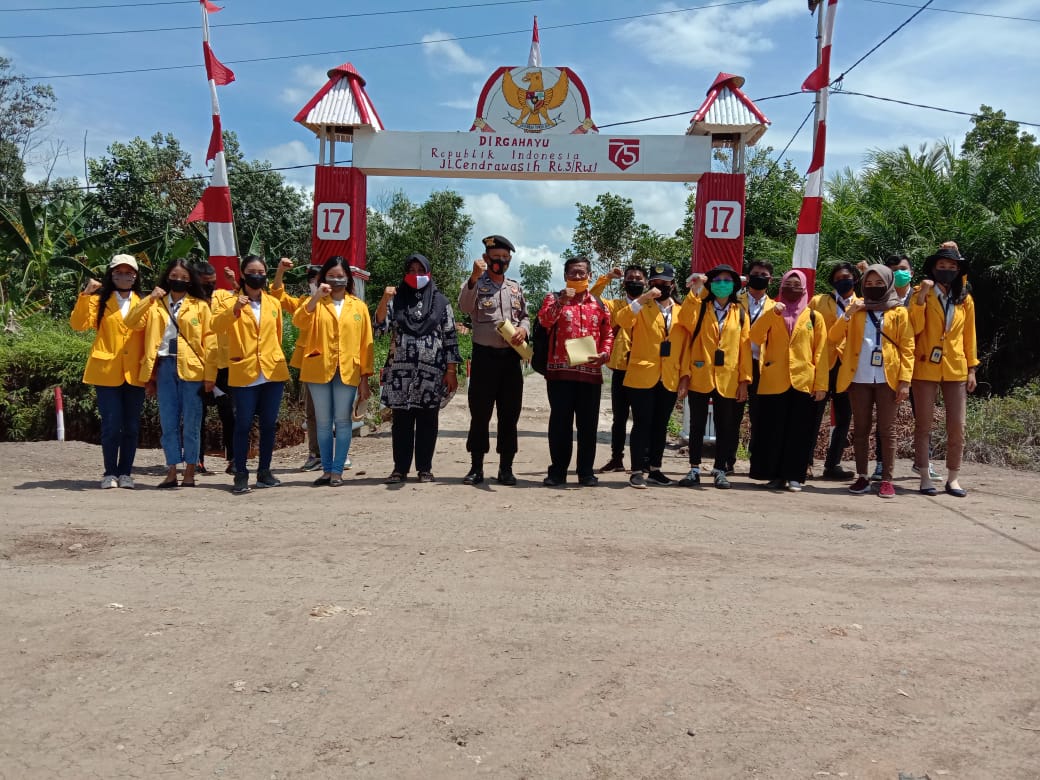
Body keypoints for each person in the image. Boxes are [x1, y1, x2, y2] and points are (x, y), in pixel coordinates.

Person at [125, 258, 216, 488]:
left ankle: (190, 472)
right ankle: (172, 470)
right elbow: (131, 322)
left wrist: (210, 375)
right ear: (167, 277)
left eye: (184, 278)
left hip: (192, 369)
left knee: (192, 422)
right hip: (164, 366)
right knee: (168, 421)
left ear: (191, 281)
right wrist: (150, 298)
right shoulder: (156, 304)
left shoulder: (200, 306)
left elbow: (211, 343)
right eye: (175, 277)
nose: (179, 281)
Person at [827, 264, 914, 499]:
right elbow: (833, 338)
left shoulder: (898, 312)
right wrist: (848, 314)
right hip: (859, 377)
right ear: (862, 285)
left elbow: (907, 348)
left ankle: (887, 479)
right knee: (861, 429)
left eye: (879, 284)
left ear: (888, 285)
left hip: (888, 378)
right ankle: (863, 476)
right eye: (869, 284)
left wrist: (905, 381)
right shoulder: (858, 310)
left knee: (888, 430)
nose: (873, 287)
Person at [374, 253, 461, 483]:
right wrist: (384, 299)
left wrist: (451, 371)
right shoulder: (398, 300)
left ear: (428, 273)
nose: (415, 275)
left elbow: (450, 338)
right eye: (411, 271)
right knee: (401, 423)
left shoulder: (441, 302)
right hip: (400, 375)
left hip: (432, 375)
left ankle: (425, 469)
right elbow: (380, 327)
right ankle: (399, 469)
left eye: (420, 271)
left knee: (427, 422)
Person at [212, 255, 290, 494]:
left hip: (272, 371)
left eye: (261, 271)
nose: (257, 275)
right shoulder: (230, 301)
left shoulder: (273, 303)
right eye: (251, 271)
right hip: (244, 370)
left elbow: (276, 336)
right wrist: (235, 309)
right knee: (242, 424)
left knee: (268, 424)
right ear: (243, 274)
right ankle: (241, 473)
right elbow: (215, 326)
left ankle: (264, 471)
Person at [292, 256, 374, 487]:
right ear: (323, 277)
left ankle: (338, 470)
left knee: (343, 420)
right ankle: (326, 470)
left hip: (348, 370)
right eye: (331, 275)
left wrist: (365, 378)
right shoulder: (315, 302)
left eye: (340, 276)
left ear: (348, 278)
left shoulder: (358, 306)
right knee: (323, 421)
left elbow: (365, 343)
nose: (336, 280)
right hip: (318, 368)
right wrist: (317, 295)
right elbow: (299, 321)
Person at [69, 254, 148, 489]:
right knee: (112, 424)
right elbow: (78, 324)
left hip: (134, 371)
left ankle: (126, 473)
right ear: (111, 275)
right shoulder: (99, 301)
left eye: (129, 273)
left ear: (136, 276)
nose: (124, 277)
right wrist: (85, 295)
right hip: (106, 370)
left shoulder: (145, 301)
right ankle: (109, 473)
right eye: (119, 272)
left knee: (131, 426)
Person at [457, 234, 530, 486]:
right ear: (485, 259)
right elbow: (465, 307)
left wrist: (524, 329)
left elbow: (525, 315)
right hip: (484, 358)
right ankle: (476, 467)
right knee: (480, 414)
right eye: (495, 258)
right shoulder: (475, 283)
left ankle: (506, 468)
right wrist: (474, 278)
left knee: (509, 415)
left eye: (504, 259)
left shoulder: (514, 287)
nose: (500, 262)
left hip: (510, 359)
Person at [537, 255, 614, 487]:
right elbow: (544, 321)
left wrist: (605, 353)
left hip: (590, 374)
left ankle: (586, 472)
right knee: (560, 424)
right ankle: (557, 472)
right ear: (565, 276)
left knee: (588, 426)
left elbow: (608, 333)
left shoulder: (599, 304)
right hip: (560, 374)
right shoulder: (553, 299)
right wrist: (561, 301)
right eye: (573, 273)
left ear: (590, 276)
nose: (578, 277)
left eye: (582, 273)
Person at [748, 269, 828, 491]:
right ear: (780, 287)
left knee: (799, 431)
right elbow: (754, 336)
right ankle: (775, 475)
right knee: (773, 430)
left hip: (803, 381)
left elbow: (820, 352)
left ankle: (795, 476)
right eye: (788, 284)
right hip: (774, 380)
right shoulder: (773, 311)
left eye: (797, 285)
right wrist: (771, 314)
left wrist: (821, 384)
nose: (792, 289)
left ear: (804, 289)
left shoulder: (814, 316)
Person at [910, 245, 978, 497]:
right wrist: (920, 297)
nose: (947, 270)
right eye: (942, 266)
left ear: (959, 270)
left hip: (956, 367)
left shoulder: (964, 298)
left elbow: (969, 336)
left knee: (957, 425)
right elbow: (914, 329)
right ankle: (925, 476)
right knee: (924, 425)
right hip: (925, 365)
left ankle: (953, 478)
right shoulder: (921, 293)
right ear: (933, 268)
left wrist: (972, 369)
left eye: (952, 267)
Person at [676, 264, 752, 489]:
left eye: (727, 280)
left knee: (725, 426)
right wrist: (695, 290)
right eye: (717, 280)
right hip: (700, 374)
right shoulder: (700, 307)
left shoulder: (740, 313)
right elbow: (684, 322)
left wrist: (744, 381)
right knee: (697, 425)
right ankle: (694, 469)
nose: (722, 284)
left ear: (734, 286)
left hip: (728, 378)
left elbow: (745, 348)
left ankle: (721, 469)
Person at [614, 262, 688, 489]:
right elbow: (622, 320)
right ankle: (637, 470)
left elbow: (686, 345)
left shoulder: (681, 311)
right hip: (641, 374)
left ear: (672, 284)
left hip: (669, 376)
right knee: (642, 423)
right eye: (655, 282)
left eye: (664, 283)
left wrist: (685, 376)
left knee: (660, 425)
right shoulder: (641, 307)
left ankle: (655, 469)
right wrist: (643, 298)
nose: (659, 286)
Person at [866, 253, 938, 481]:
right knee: (886, 419)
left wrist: (922, 296)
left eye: (903, 268)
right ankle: (880, 463)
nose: (899, 272)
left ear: (912, 272)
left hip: (920, 363)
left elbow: (917, 326)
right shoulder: (879, 296)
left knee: (923, 416)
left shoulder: (921, 293)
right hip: (888, 365)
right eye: (893, 269)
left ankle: (923, 462)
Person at [590, 265, 647, 473]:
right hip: (621, 369)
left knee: (642, 418)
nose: (635, 281)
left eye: (639, 278)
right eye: (631, 278)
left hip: (644, 371)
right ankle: (616, 458)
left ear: (646, 283)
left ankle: (642, 461)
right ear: (624, 283)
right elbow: (593, 297)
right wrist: (607, 278)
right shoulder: (615, 306)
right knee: (619, 418)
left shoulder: (651, 306)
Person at [270, 258, 325, 472]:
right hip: (311, 364)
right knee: (312, 412)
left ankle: (338, 454)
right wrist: (280, 272)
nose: (315, 282)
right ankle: (315, 453)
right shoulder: (303, 302)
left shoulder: (339, 304)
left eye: (318, 279)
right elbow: (277, 296)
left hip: (334, 364)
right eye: (311, 278)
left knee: (336, 412)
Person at [807, 262, 859, 480]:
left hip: (847, 367)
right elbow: (807, 331)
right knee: (812, 416)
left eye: (845, 277)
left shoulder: (863, 304)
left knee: (845, 417)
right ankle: (804, 463)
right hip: (821, 365)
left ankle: (833, 464)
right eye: (837, 278)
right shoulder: (819, 301)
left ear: (855, 279)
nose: (841, 281)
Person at [194, 262, 237, 476]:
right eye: (204, 284)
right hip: (196, 366)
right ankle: (197, 460)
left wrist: (234, 283)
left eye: (211, 283)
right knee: (197, 415)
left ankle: (233, 459)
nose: (208, 288)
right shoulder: (187, 302)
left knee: (229, 414)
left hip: (223, 365)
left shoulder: (222, 296)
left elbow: (247, 301)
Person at [738, 259, 776, 467]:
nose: (759, 278)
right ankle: (727, 460)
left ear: (770, 280)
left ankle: (757, 462)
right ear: (748, 276)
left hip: (762, 366)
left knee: (760, 417)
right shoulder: (735, 300)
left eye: (764, 275)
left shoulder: (775, 306)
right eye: (755, 274)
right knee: (732, 416)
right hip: (736, 365)